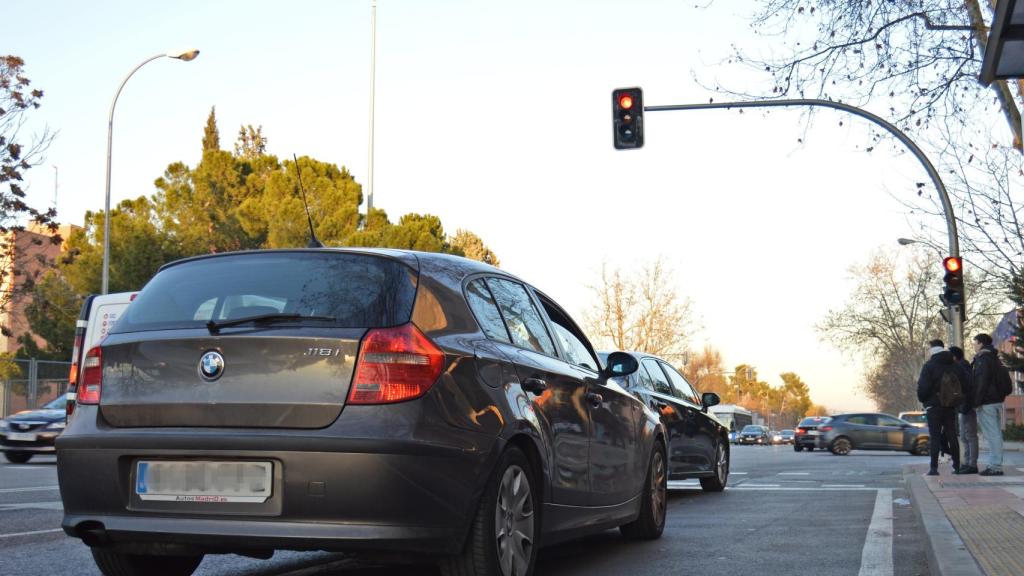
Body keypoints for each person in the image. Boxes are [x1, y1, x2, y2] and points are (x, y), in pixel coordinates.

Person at [917, 339, 966, 476]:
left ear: (932, 349)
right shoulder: (955, 365)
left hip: (933, 406)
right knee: (952, 435)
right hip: (950, 406)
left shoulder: (929, 365)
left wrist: (923, 400)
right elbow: (966, 383)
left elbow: (923, 387)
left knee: (935, 437)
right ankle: (957, 466)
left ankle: (934, 468)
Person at [971, 333, 1013, 476]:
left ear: (981, 343)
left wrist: (976, 402)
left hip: (987, 402)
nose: (974, 346)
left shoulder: (983, 359)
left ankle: (995, 466)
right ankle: (995, 464)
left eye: (975, 343)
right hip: (995, 400)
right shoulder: (994, 358)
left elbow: (981, 382)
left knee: (992, 434)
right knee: (995, 434)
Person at [950, 345, 978, 474]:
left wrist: (965, 406)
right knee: (964, 436)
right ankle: (966, 463)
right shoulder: (961, 366)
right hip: (962, 406)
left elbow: (967, 388)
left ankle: (972, 464)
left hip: (966, 406)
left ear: (954, 357)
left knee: (969, 435)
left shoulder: (962, 367)